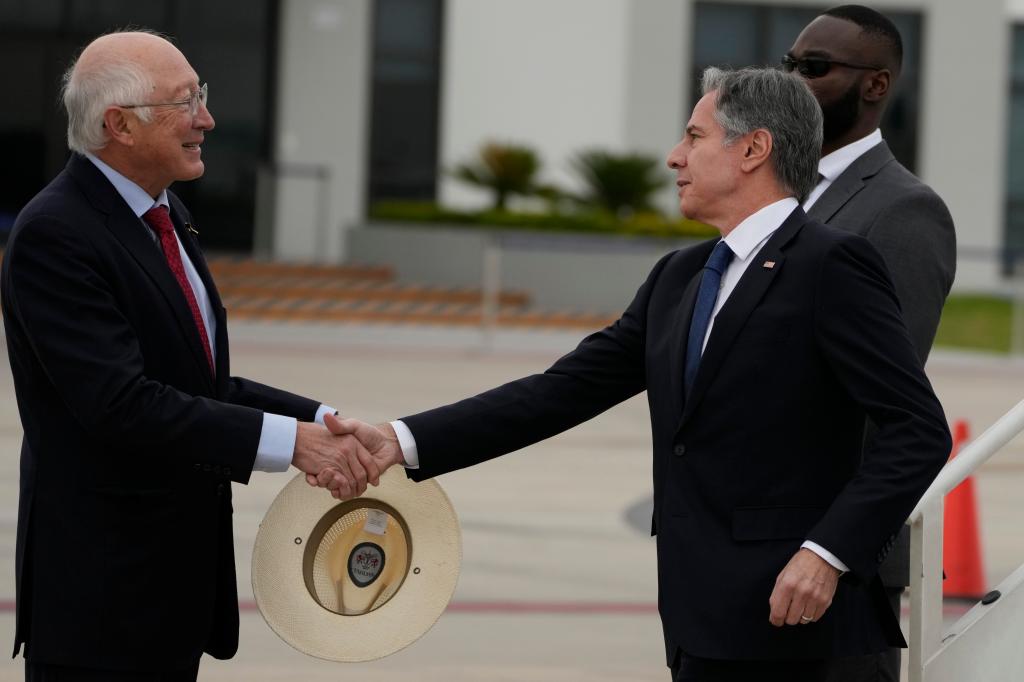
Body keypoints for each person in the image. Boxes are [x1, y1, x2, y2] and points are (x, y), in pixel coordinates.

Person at [325, 66, 951, 681]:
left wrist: (828, 553)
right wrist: (401, 440)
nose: (674, 157)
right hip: (699, 619)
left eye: (695, 137)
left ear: (753, 149)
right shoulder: (678, 277)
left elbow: (917, 430)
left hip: (804, 630)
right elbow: (558, 392)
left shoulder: (831, 264)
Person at [2, 30, 377, 681]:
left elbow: (201, 383)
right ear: (117, 124)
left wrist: (322, 422)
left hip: (168, 598)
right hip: (101, 605)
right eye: (185, 102)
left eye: (200, 97)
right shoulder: (56, 234)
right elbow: (121, 405)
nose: (206, 119)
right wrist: (292, 445)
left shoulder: (164, 215)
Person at [785, 7, 957, 680]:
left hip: (835, 560)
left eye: (817, 69)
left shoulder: (902, 210)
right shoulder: (777, 192)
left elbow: (885, 399)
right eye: (791, 66)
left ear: (876, 86)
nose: (796, 82)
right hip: (749, 547)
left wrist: (826, 547)